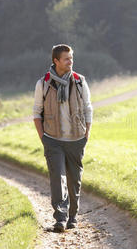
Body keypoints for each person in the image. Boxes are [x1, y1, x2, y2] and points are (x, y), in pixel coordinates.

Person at [33, 44, 93, 232]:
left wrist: (87, 132)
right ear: (56, 61)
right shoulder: (43, 83)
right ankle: (60, 218)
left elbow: (88, 108)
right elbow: (37, 112)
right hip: (53, 139)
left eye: (71, 58)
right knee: (57, 179)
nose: (71, 61)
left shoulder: (80, 81)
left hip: (76, 139)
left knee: (74, 180)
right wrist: (44, 138)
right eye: (66, 58)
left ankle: (73, 217)